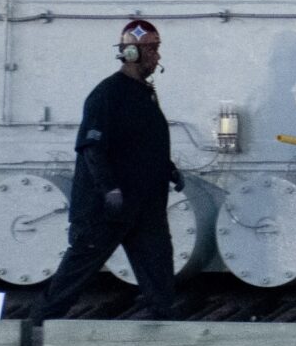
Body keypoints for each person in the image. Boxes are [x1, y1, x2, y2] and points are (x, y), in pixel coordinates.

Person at [31, 19, 184, 321]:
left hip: (144, 207)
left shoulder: (145, 94)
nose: (157, 57)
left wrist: (168, 169)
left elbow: (142, 144)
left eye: (156, 49)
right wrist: (108, 188)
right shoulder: (107, 94)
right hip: (106, 209)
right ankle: (36, 327)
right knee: (77, 270)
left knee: (158, 272)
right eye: (150, 50)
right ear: (130, 53)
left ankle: (168, 335)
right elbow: (91, 147)